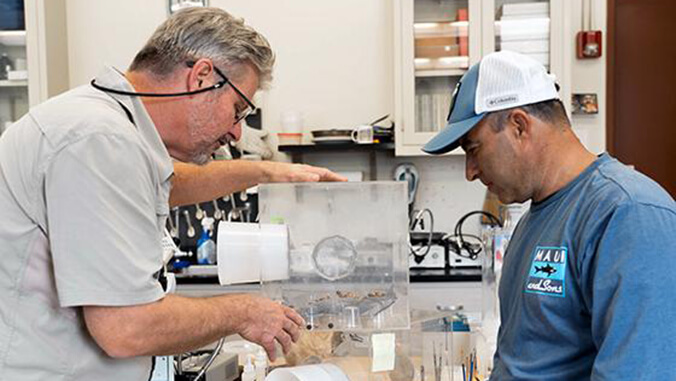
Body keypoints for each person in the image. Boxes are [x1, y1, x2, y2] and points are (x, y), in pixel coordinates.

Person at [0, 7, 344, 381]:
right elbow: (125, 328)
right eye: (237, 110)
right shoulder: (100, 140)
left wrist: (270, 171)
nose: (235, 133)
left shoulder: (106, 124)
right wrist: (243, 312)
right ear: (201, 78)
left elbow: (167, 184)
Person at [423, 50, 676, 380]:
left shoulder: (629, 213)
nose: (470, 172)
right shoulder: (534, 219)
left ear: (519, 126)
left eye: (473, 149)